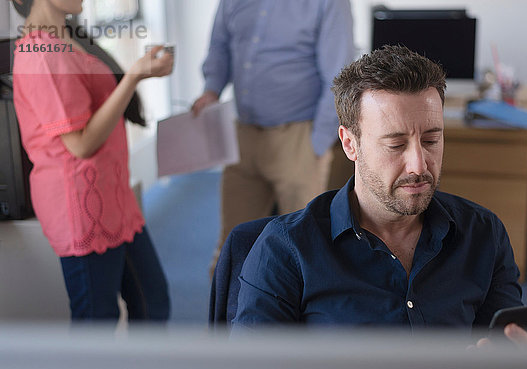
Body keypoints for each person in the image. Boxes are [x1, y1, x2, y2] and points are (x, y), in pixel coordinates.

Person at [232, 45, 527, 346]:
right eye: (395, 145)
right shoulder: (286, 250)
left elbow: (503, 356)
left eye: (431, 140)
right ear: (350, 144)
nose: (419, 165)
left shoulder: (484, 234)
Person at [11, 0, 172, 322]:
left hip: (112, 196)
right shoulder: (39, 54)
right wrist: (134, 77)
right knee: (96, 320)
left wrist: (137, 74)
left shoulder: (68, 36)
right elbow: (81, 145)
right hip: (81, 206)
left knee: (152, 302)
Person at [191, 0, 355, 275]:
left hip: (297, 138)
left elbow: (338, 76)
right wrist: (212, 90)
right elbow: (219, 47)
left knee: (304, 250)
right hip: (243, 134)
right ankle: (230, 314)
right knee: (233, 246)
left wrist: (316, 144)